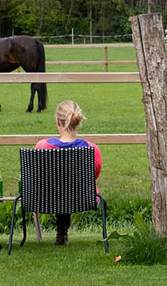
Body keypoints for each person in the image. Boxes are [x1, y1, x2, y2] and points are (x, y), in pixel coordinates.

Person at [34, 100, 102, 245]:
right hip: (82, 197)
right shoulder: (91, 149)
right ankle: (62, 231)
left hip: (47, 198)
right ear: (78, 121)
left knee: (59, 190)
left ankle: (61, 231)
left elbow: (36, 176)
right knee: (68, 190)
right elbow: (94, 176)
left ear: (58, 122)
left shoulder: (43, 146)